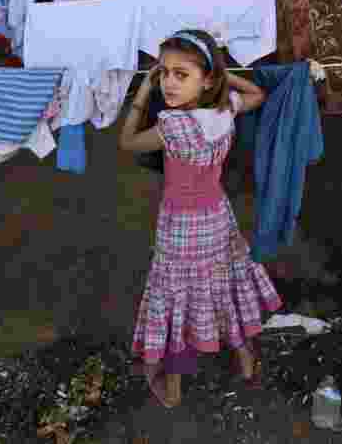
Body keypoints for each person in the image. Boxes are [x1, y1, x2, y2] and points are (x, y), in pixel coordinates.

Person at [119, 28, 283, 408]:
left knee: (179, 299)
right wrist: (222, 75)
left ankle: (174, 388)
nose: (168, 83)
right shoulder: (225, 109)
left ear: (206, 79)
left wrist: (143, 93)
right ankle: (245, 362)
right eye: (163, 73)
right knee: (223, 286)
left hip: (180, 227)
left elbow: (127, 142)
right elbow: (258, 94)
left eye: (181, 74)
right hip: (217, 218)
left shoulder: (173, 126)